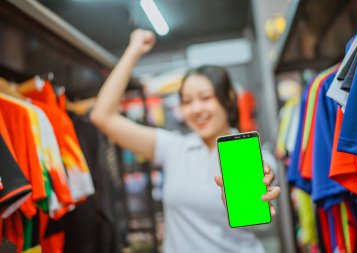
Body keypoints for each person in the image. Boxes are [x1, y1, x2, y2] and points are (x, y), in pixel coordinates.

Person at [90, 29, 281, 253]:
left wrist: (235, 201)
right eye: (187, 101)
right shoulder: (174, 148)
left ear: (227, 98)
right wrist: (133, 51)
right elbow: (101, 116)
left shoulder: (255, 157)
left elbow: (259, 224)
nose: (196, 109)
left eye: (206, 98)